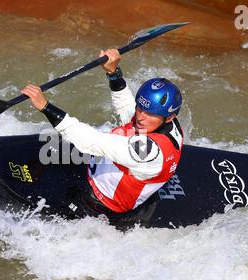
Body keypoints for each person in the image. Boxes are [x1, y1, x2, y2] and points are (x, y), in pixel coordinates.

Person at [21, 48, 184, 220]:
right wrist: (113, 73)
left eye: (150, 113)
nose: (140, 116)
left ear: (170, 117)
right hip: (100, 169)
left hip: (100, 205)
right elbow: (127, 110)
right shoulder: (166, 121)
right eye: (140, 107)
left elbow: (92, 141)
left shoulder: (146, 152)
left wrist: (45, 107)